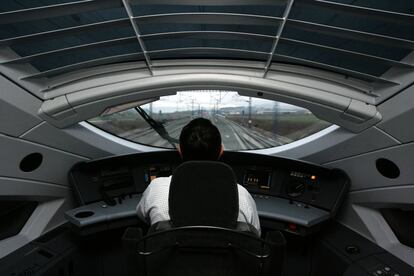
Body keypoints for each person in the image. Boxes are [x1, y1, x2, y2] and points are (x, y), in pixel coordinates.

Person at [136, 117, 261, 235]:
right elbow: (255, 234)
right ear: (221, 151)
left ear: (180, 151)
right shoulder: (241, 196)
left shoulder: (156, 189)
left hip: (170, 256)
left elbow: (143, 217)